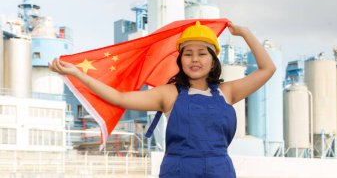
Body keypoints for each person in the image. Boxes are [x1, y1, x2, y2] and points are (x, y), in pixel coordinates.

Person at [49, 21, 276, 178]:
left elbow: (268, 68)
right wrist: (79, 74)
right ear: (180, 59)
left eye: (202, 53)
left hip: (220, 171)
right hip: (178, 171)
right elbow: (118, 97)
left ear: (213, 60)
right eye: (188, 53)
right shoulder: (169, 94)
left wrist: (245, 33)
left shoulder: (228, 92)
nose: (194, 59)